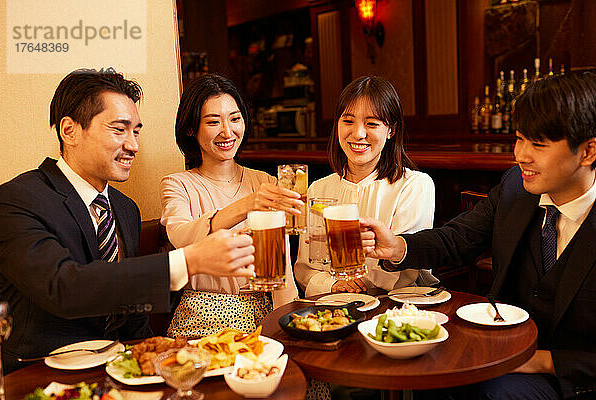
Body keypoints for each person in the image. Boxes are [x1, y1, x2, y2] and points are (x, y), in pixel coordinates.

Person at [0, 69, 257, 374]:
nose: (133, 145)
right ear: (69, 131)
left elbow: (131, 310)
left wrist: (165, 359)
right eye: (119, 130)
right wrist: (188, 260)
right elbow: (63, 287)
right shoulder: (16, 200)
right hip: (39, 372)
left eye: (136, 131)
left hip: (118, 370)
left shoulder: (124, 208)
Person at [361, 71, 596, 399]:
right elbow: (457, 239)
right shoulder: (517, 187)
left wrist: (541, 361)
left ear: (588, 152)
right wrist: (398, 246)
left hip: (575, 379)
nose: (521, 155)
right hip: (504, 352)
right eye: (519, 138)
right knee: (431, 371)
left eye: (538, 144)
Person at [160, 73, 300, 338]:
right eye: (213, 122)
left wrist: (288, 325)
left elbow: (280, 267)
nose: (228, 132)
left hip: (264, 316)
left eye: (235, 119)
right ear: (191, 128)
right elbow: (181, 238)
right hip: (201, 318)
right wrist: (247, 205)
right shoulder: (177, 184)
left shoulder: (265, 181)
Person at [294, 76, 437, 297]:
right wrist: (330, 284)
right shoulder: (318, 190)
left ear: (391, 130)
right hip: (329, 308)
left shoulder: (414, 186)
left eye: (372, 123)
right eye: (348, 121)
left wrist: (352, 283)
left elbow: (406, 270)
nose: (358, 134)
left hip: (394, 311)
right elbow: (305, 269)